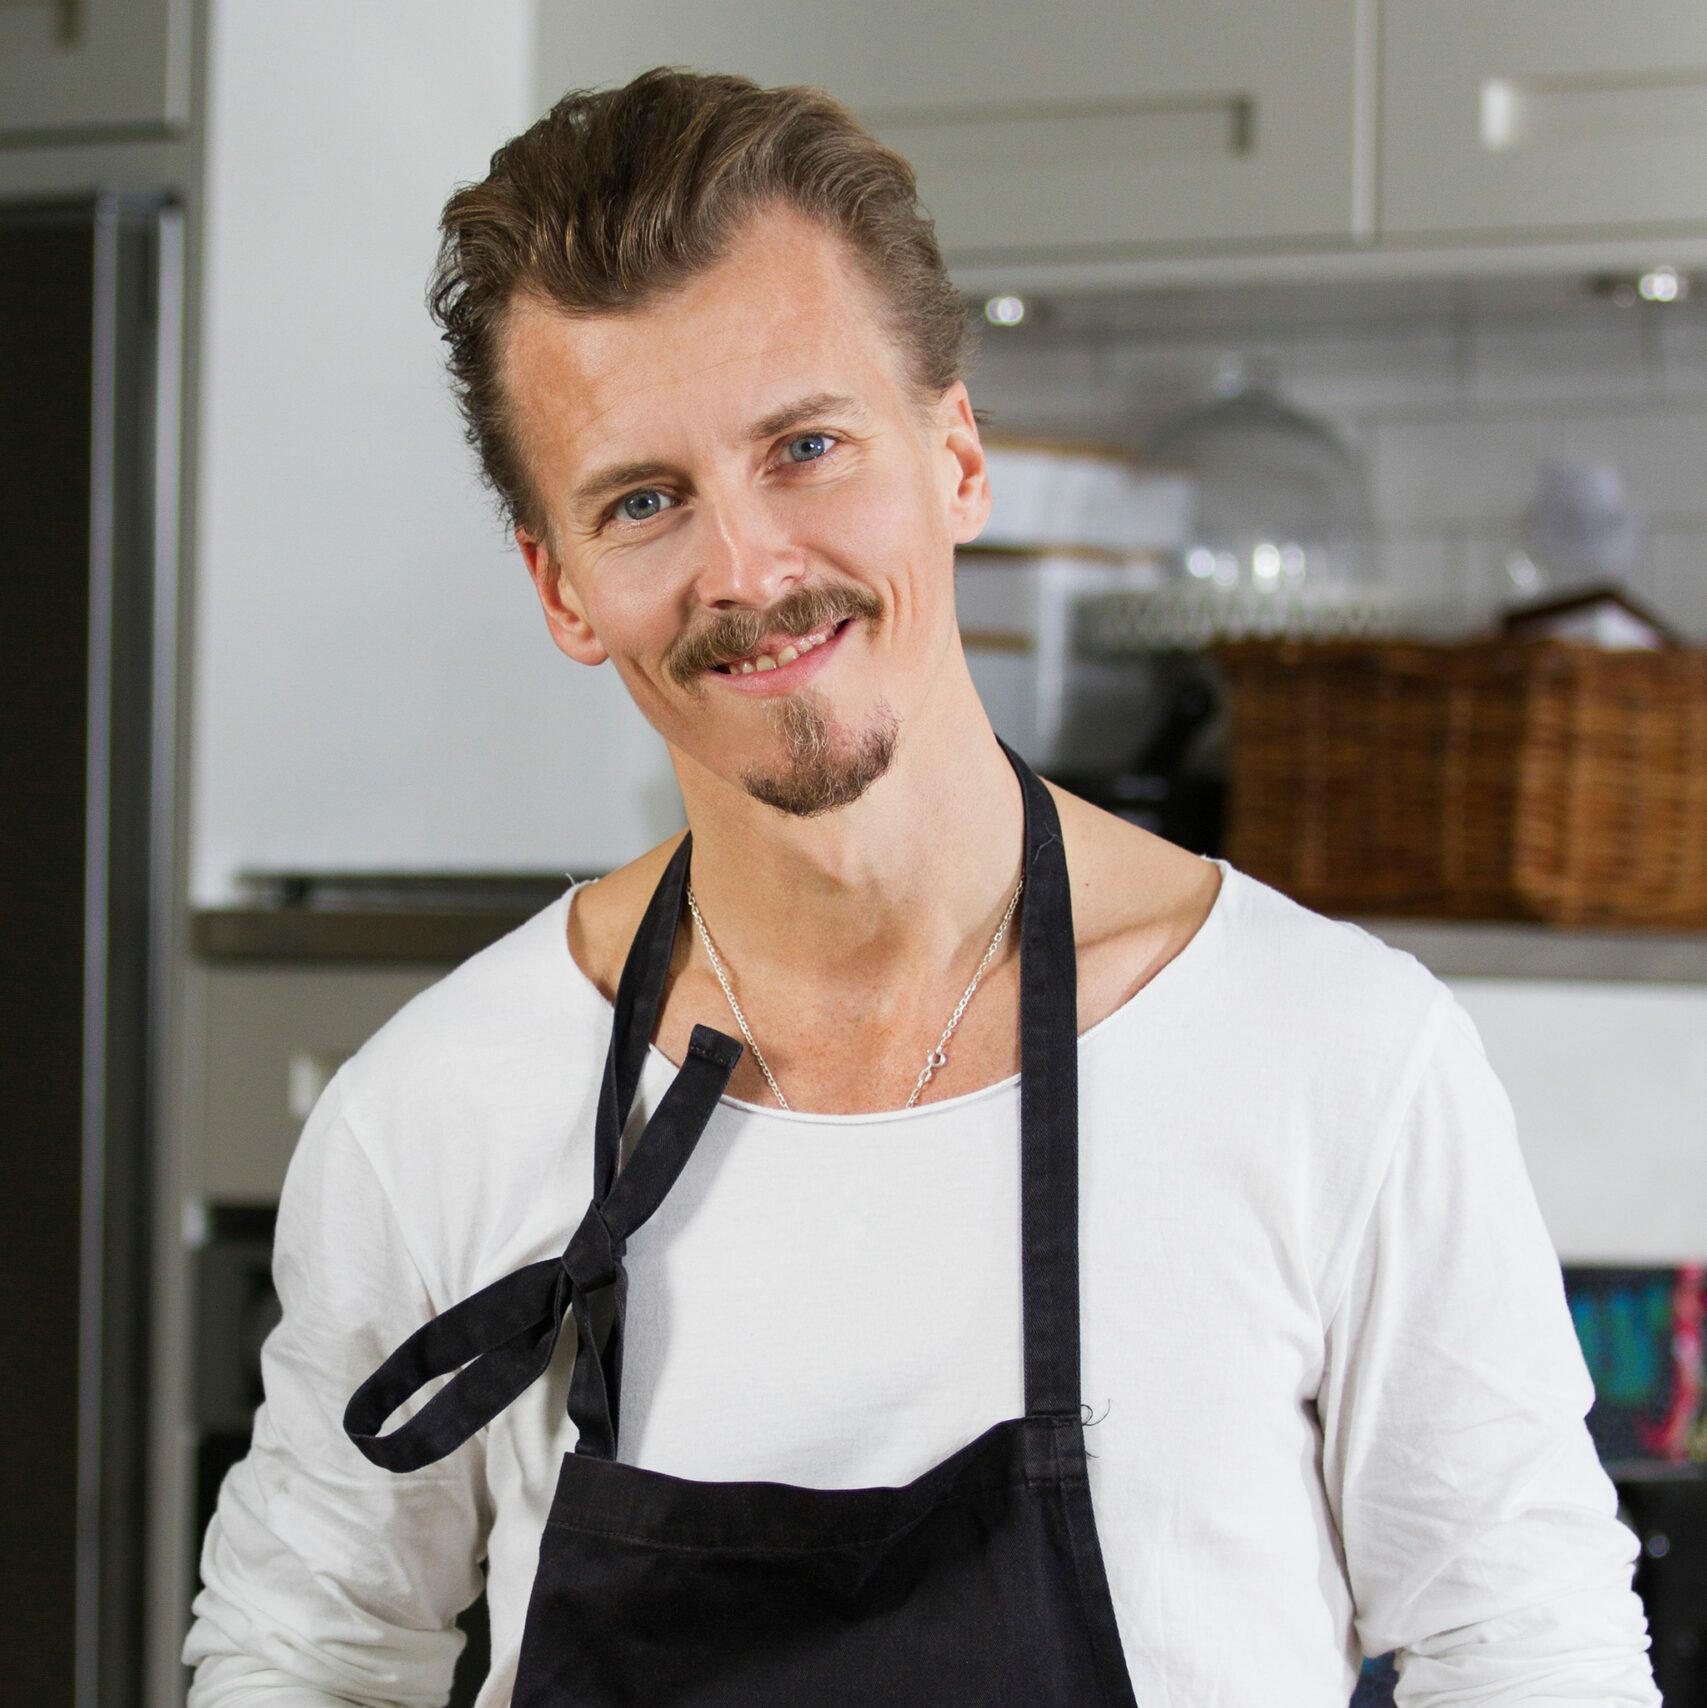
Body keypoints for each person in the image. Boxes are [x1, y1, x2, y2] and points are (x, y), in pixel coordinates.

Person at [182, 66, 1662, 1707]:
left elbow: (1526, 1656)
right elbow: (302, 1656)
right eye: (646, 500)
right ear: (562, 583)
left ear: (957, 455)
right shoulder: (439, 1111)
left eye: (806, 446)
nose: (748, 569)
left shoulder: (1339, 1057)